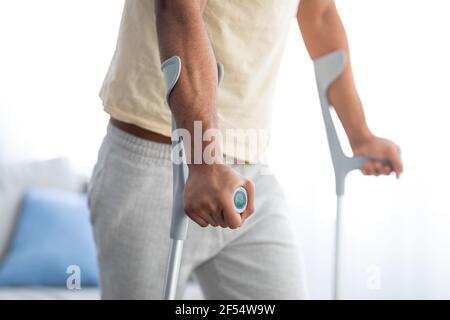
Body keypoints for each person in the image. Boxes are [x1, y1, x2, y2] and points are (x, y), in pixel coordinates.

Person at [88, 0, 403, 299]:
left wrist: (359, 133)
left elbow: (318, 15)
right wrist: (204, 160)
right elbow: (178, 8)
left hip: (249, 174)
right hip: (156, 164)